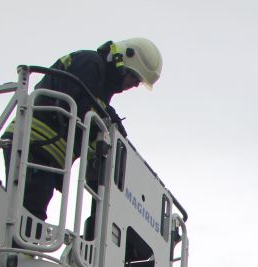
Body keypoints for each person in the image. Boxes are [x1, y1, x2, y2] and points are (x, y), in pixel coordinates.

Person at [11, 38, 162, 220]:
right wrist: (106, 120)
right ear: (123, 62)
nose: (135, 85)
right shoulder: (89, 63)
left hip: (47, 152)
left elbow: (93, 110)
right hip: (35, 143)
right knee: (28, 214)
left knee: (24, 212)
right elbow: (80, 106)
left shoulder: (102, 83)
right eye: (134, 77)